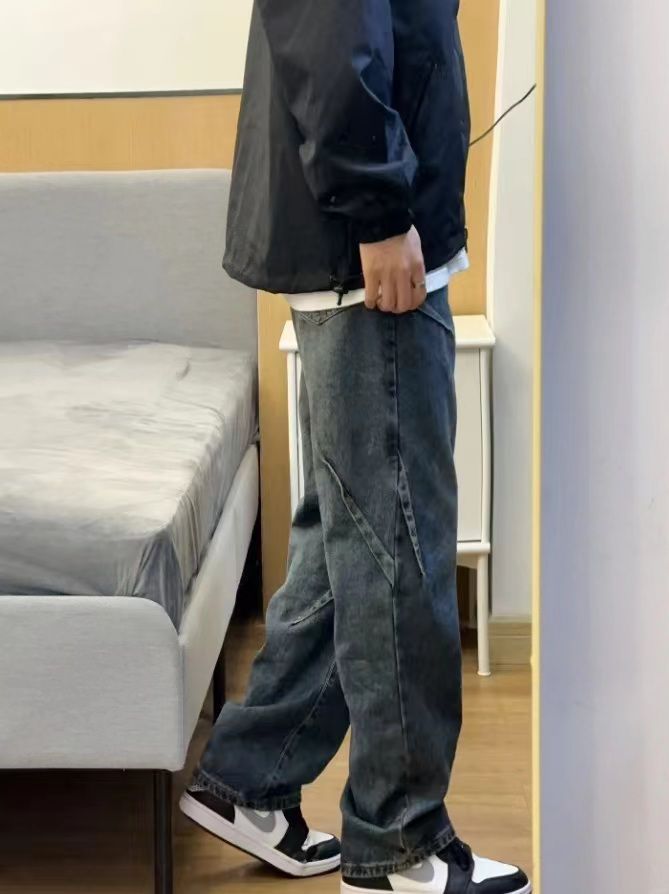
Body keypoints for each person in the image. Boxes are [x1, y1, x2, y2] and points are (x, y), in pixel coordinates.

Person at [180, 2, 531, 893]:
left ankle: (249, 777)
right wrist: (378, 212)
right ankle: (398, 843)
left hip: (367, 236)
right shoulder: (371, 220)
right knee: (397, 547)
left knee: (356, 537)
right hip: (362, 245)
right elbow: (332, 43)